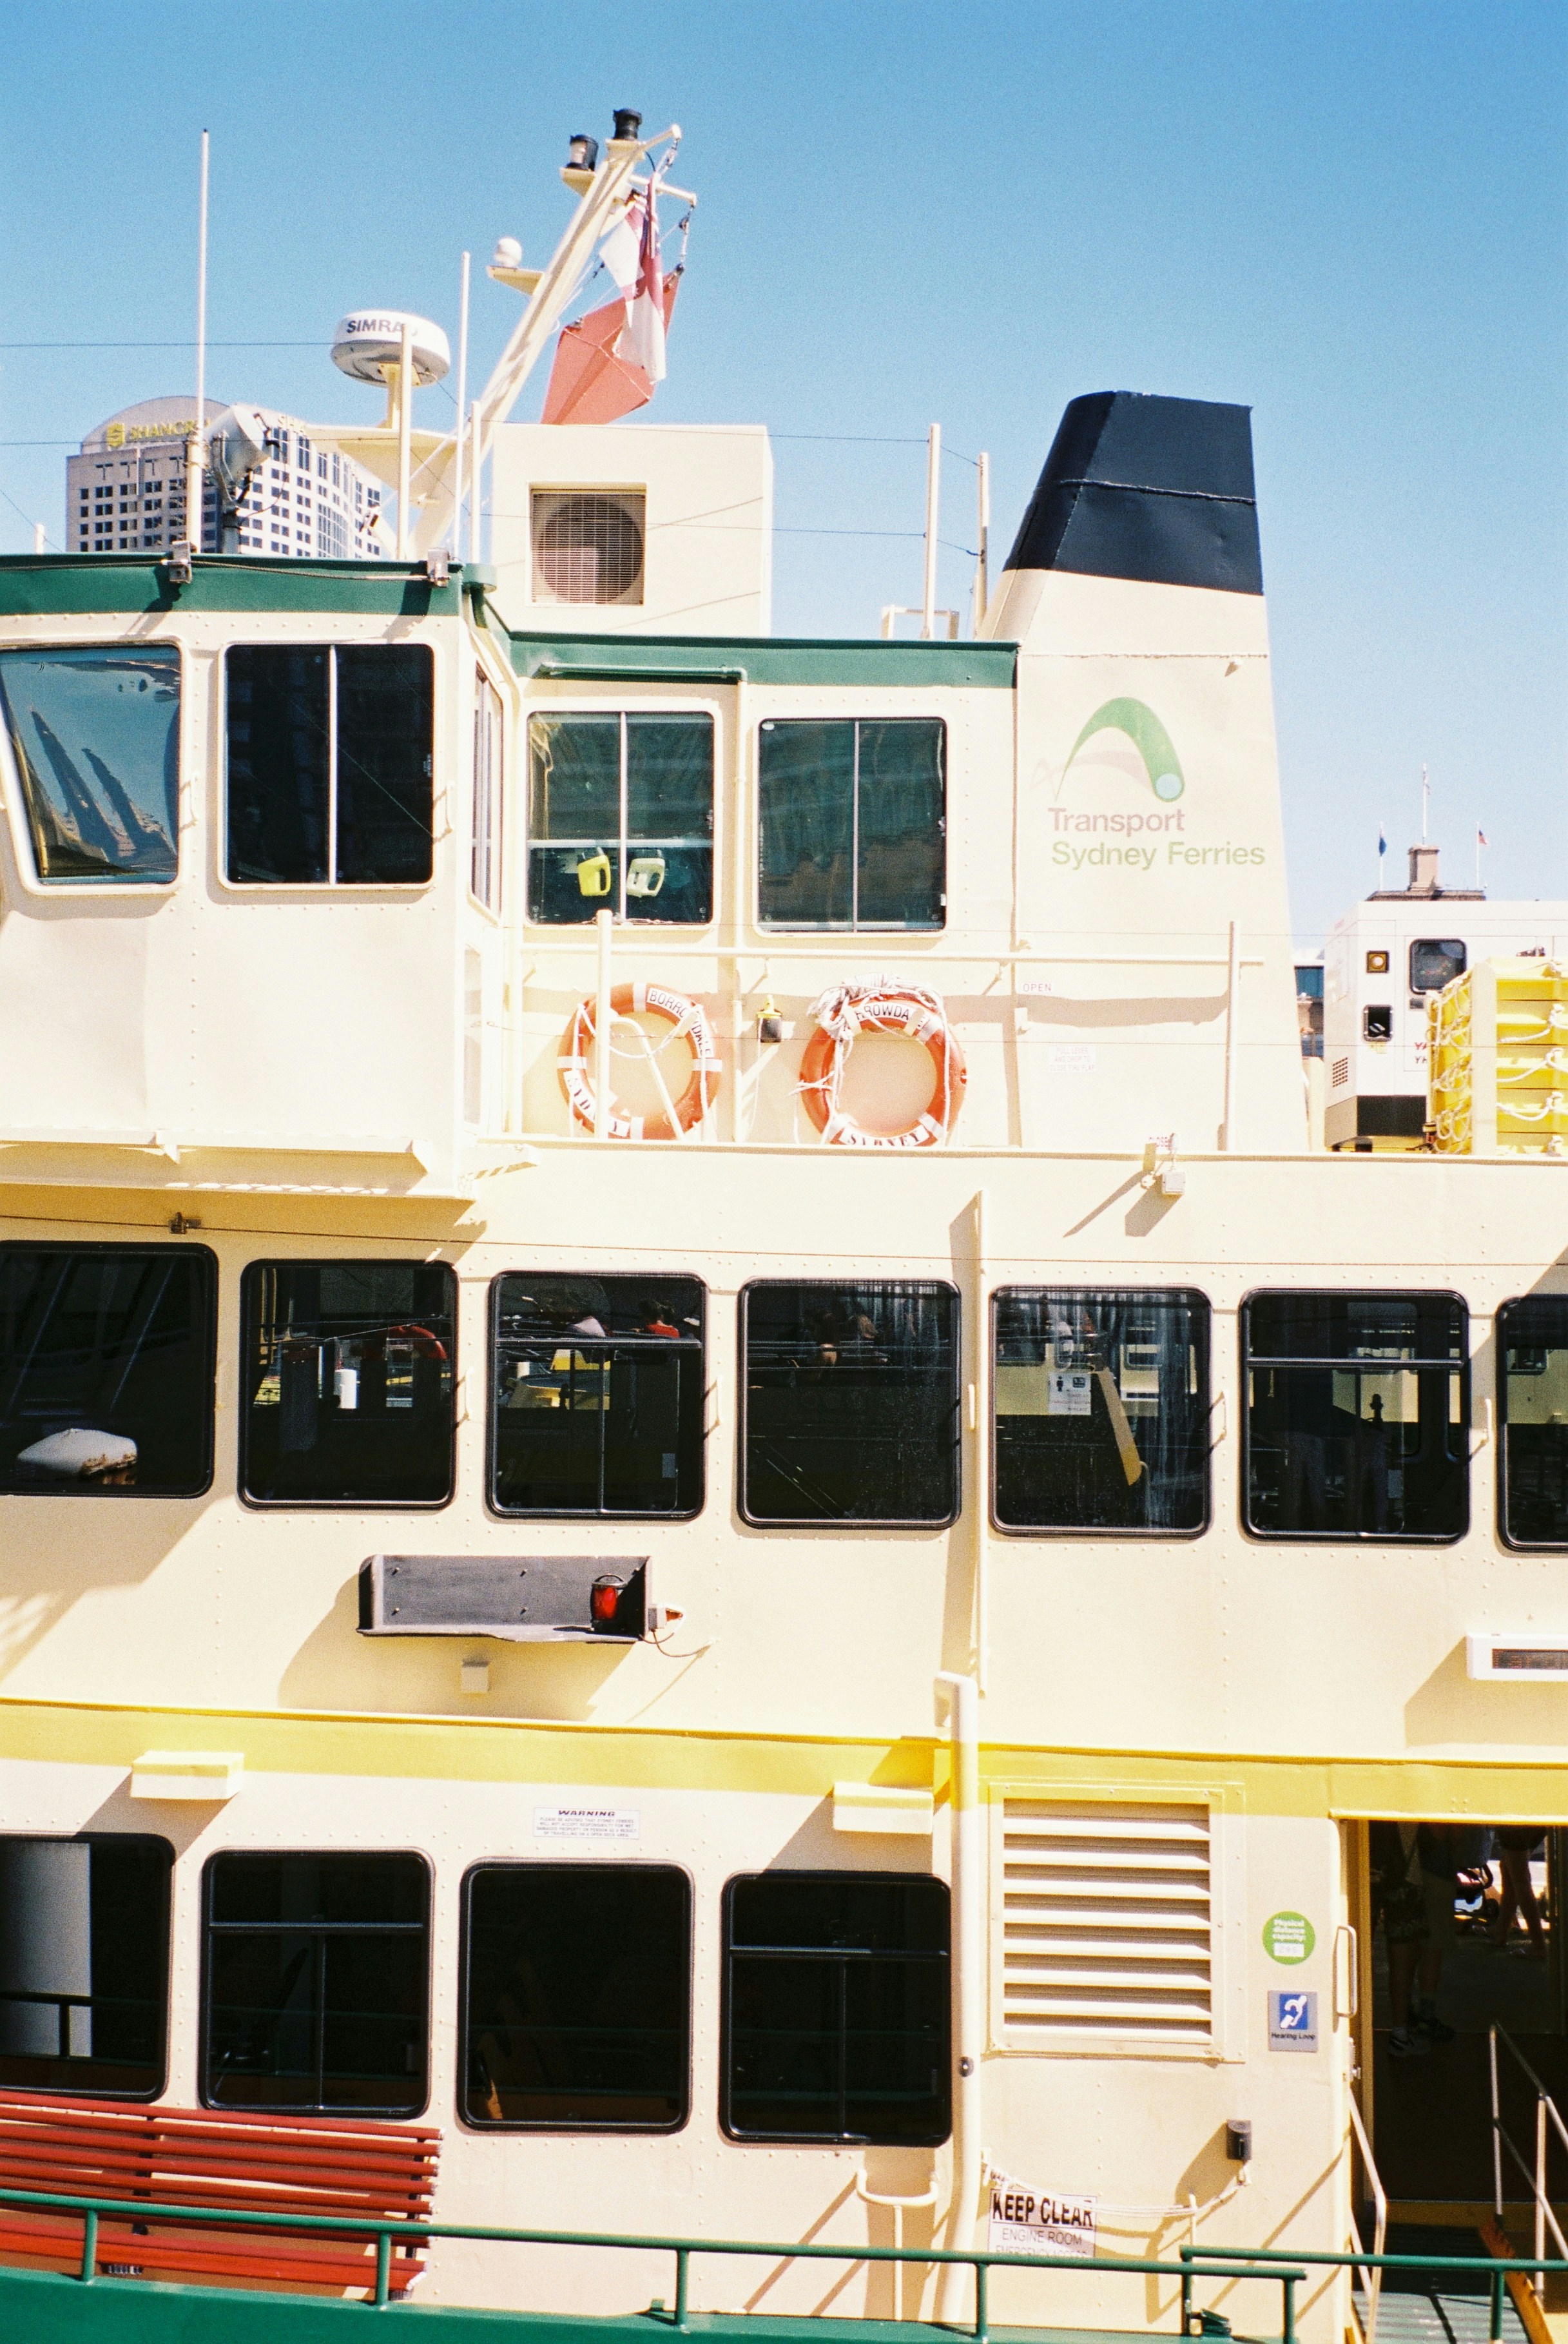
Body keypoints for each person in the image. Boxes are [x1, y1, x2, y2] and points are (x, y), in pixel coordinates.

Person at [1370, 1822, 1430, 2058]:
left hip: (1365, 1869)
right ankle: (1400, 2033)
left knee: (1355, 1953)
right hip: (1407, 1874)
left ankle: (1352, 2032)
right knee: (1404, 1957)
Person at [1491, 1829, 1549, 1957]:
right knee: (1509, 1868)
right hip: (1532, 1820)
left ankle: (1539, 1945)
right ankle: (1501, 1930)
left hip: (1515, 1824)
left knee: (1519, 1877)